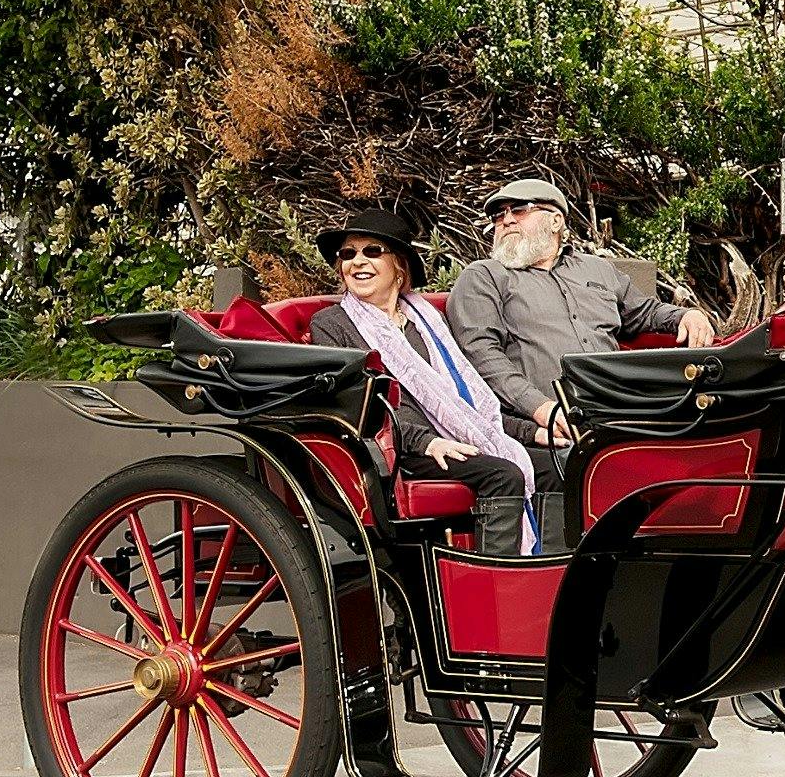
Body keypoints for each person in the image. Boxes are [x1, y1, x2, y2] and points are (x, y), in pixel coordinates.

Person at [449, 175, 713, 546]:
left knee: (697, 455)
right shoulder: (485, 276)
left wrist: (686, 315)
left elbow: (645, 313)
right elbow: (480, 354)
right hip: (535, 425)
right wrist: (541, 408)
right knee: (572, 461)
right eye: (498, 215)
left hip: (616, 413)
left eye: (518, 210)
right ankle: (557, 570)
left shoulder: (598, 271)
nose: (505, 220)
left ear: (556, 220)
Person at [304, 208, 537, 557]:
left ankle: (554, 579)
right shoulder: (332, 324)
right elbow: (357, 405)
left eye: (372, 251)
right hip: (395, 449)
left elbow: (467, 402)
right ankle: (499, 581)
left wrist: (531, 432)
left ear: (399, 267)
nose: (357, 261)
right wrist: (427, 442)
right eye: (348, 254)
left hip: (453, 437)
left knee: (551, 464)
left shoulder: (428, 321)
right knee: (503, 474)